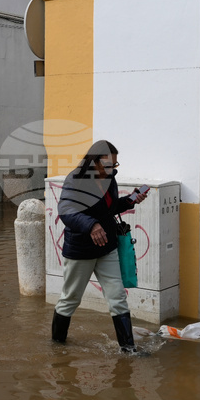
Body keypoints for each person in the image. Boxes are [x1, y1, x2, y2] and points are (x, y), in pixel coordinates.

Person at [51, 140, 149, 352]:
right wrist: (92, 225)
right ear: (93, 162)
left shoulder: (109, 179)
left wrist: (131, 200)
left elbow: (110, 208)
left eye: (114, 165)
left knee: (118, 298)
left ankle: (129, 350)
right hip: (81, 250)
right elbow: (67, 211)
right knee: (70, 299)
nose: (111, 170)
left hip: (107, 247)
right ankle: (57, 349)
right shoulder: (75, 179)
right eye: (107, 166)